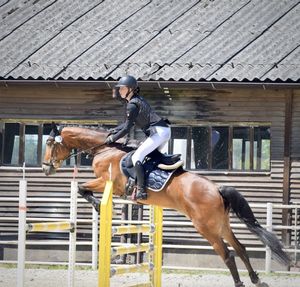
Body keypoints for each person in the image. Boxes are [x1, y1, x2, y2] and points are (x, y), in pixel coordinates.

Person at [105, 75, 171, 200]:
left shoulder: (132, 105)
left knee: (136, 157)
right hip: (162, 130)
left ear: (131, 89)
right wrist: (114, 130)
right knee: (148, 157)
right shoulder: (136, 100)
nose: (120, 91)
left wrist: (112, 139)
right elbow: (127, 124)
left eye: (122, 89)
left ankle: (141, 190)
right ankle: (151, 183)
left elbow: (127, 129)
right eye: (119, 89)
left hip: (159, 132)